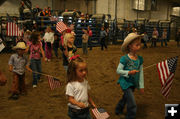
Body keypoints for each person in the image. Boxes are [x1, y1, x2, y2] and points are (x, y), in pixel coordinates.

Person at [115, 33, 144, 119]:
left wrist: (141, 85)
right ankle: (130, 116)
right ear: (130, 46)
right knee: (132, 104)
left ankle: (118, 110)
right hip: (125, 83)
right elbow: (118, 71)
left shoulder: (140, 59)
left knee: (125, 98)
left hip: (133, 83)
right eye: (137, 45)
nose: (139, 46)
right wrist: (129, 72)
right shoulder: (124, 59)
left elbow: (141, 73)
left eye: (139, 44)